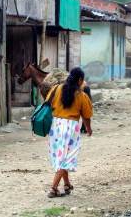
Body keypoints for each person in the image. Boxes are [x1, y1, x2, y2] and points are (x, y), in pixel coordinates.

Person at [46, 67, 93, 198]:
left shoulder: (56, 88)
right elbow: (86, 116)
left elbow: (47, 103)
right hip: (71, 128)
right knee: (66, 158)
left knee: (62, 156)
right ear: (79, 80)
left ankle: (67, 184)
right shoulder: (81, 95)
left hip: (55, 126)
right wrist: (88, 129)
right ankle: (53, 188)